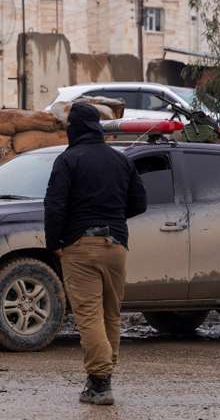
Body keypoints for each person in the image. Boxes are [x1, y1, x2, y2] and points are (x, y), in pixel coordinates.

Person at [43, 102, 148, 406]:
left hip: (80, 245)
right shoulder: (121, 160)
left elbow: (55, 205)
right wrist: (114, 218)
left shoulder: (68, 160)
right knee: (111, 314)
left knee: (89, 315)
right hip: (116, 245)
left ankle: (100, 383)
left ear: (73, 128)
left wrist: (55, 242)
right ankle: (102, 377)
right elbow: (139, 203)